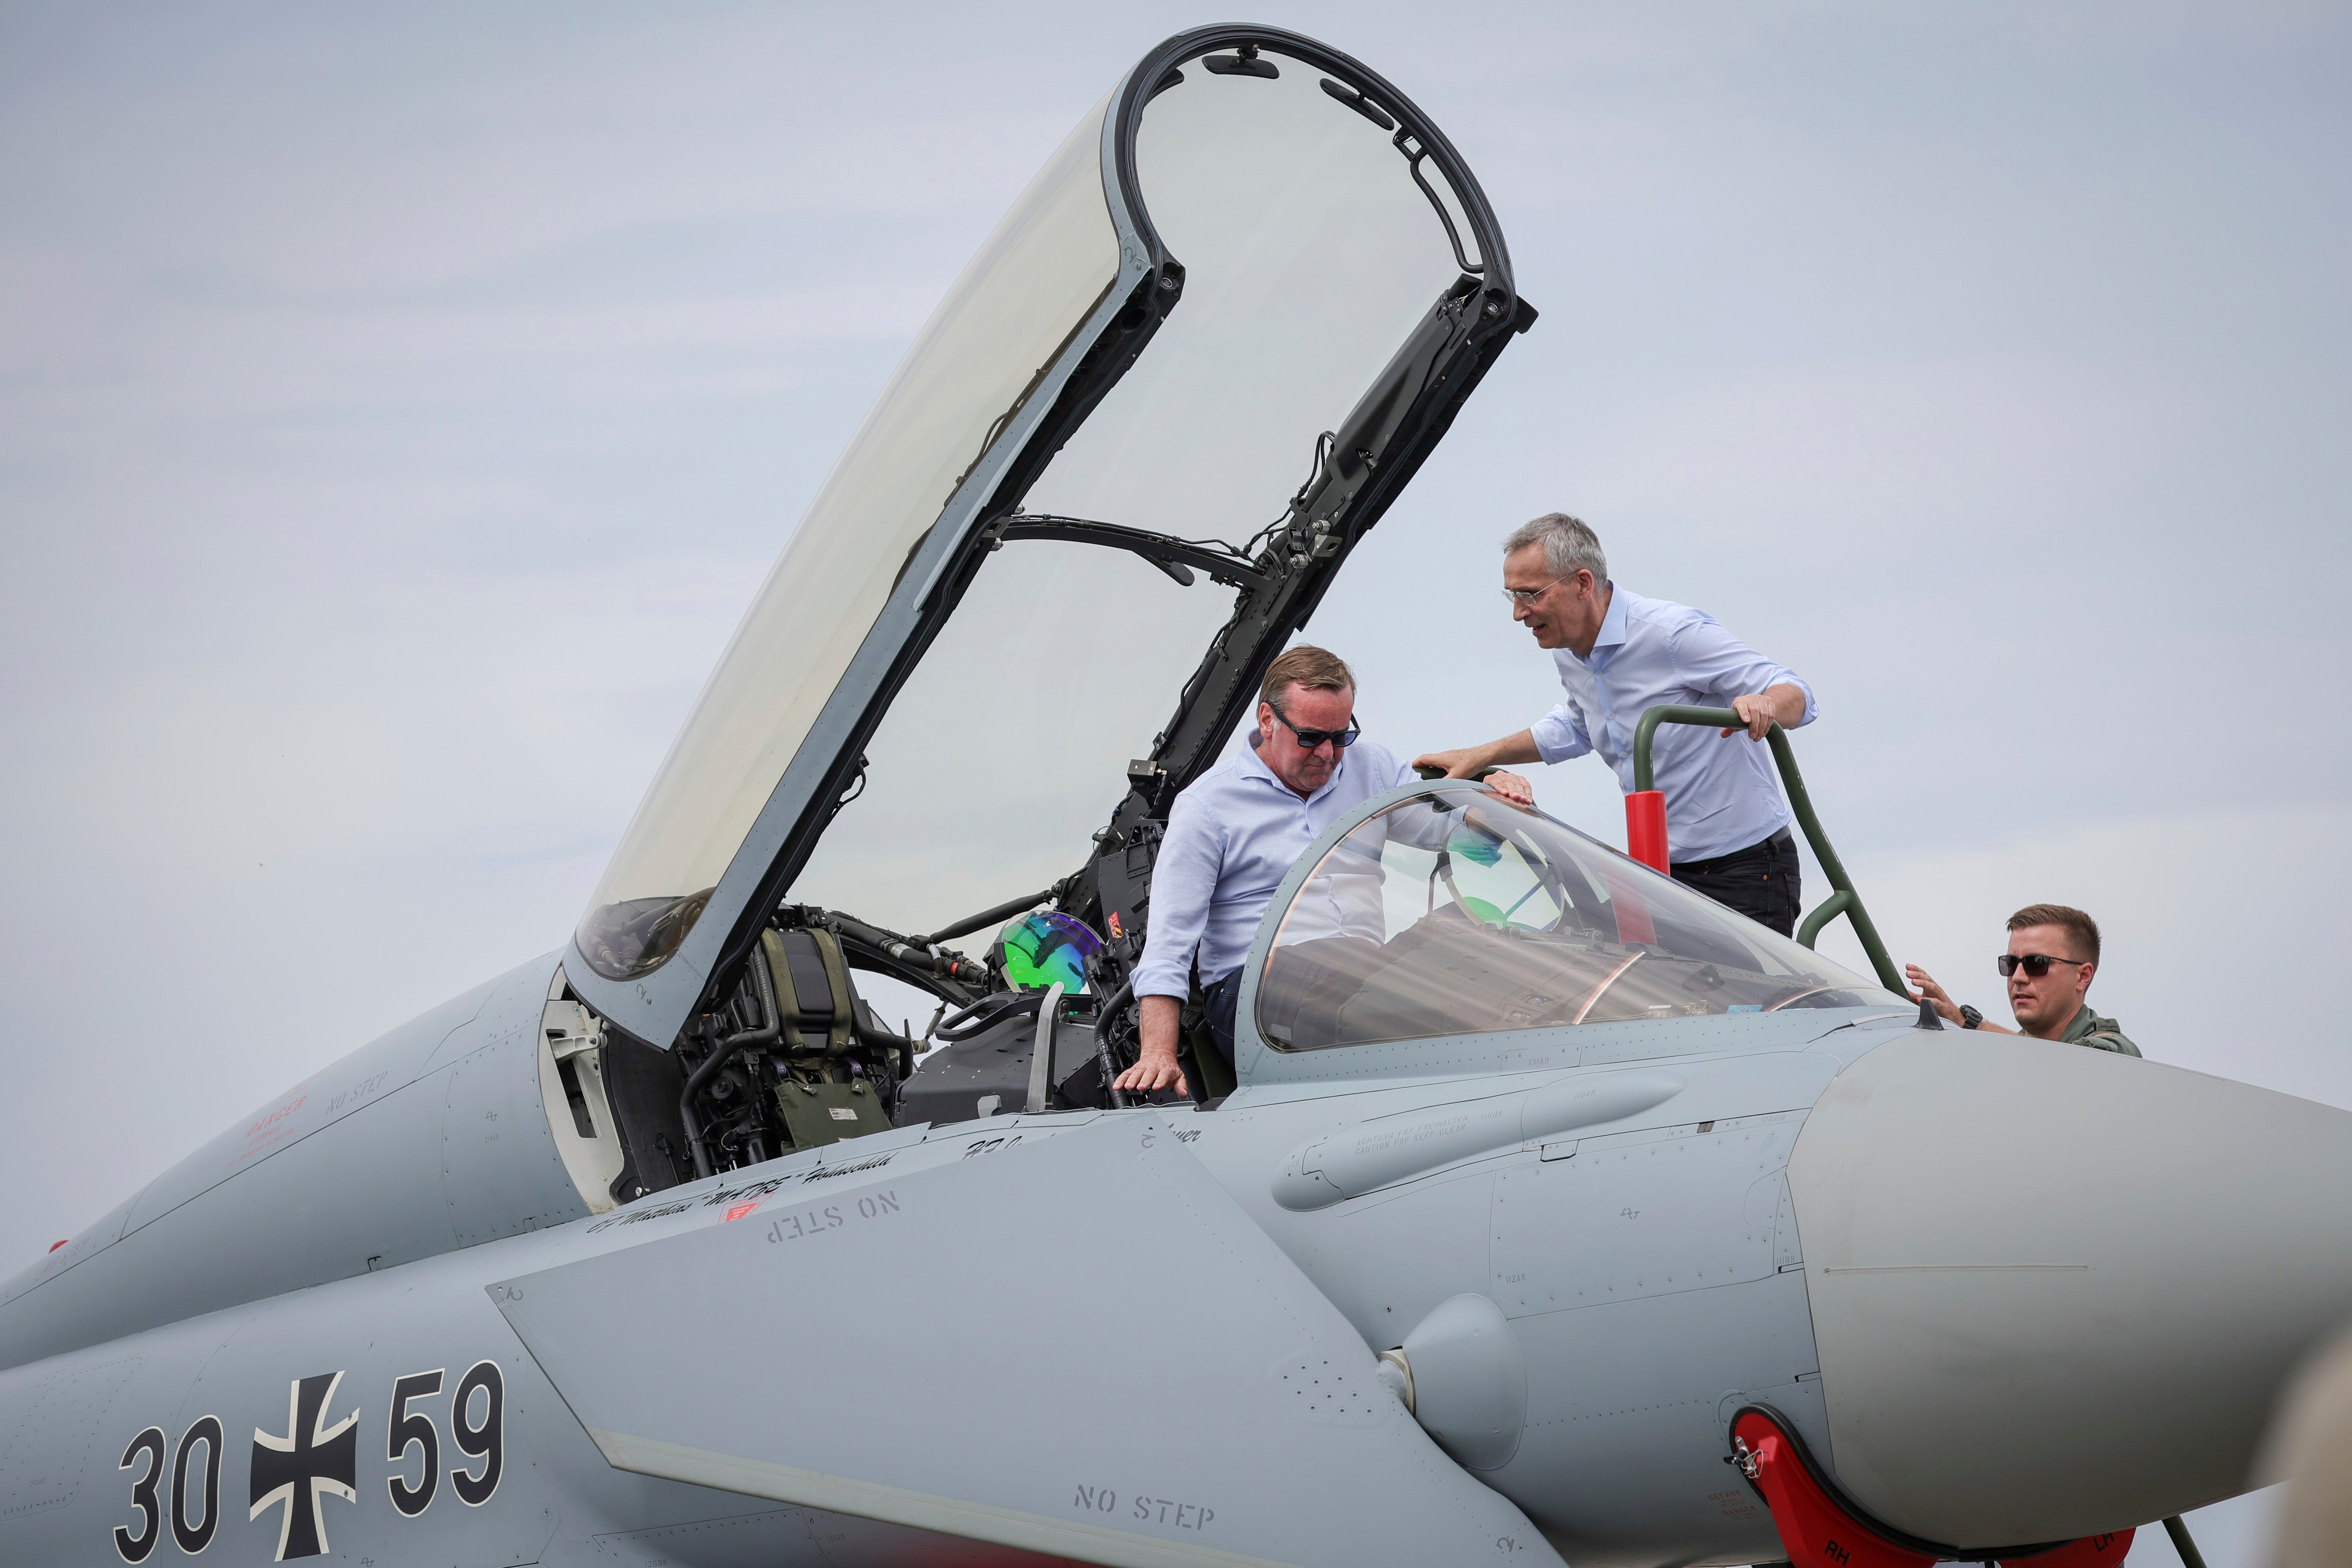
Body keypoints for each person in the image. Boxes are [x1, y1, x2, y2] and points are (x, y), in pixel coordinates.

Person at [1115, 645, 1530, 1096]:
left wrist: (1492, 797)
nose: (1331, 754)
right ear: (1268, 720)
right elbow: (1167, 945)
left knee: (1467, 939)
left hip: (1364, 968)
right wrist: (1157, 1052)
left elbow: (1446, 830)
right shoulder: (1207, 807)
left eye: (1342, 735)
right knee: (1398, 1001)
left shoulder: (1371, 768)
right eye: (1313, 737)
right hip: (1253, 993)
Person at [1414, 513, 1816, 935]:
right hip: (1661, 875)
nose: (1518, 613)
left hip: (1745, 869)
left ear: (1583, 584)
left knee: (1747, 1001)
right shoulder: (1569, 650)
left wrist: (1765, 703)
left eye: (1530, 595)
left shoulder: (1671, 634)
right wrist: (1481, 755)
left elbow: (1797, 694)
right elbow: (1578, 726)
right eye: (1512, 595)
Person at [1905, 903, 2139, 1054]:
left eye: (2036, 964)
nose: (2018, 977)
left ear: (2083, 976)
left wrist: (1968, 1024)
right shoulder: (2008, 1056)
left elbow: (2062, 1064)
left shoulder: (2114, 1054)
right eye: (2011, 963)